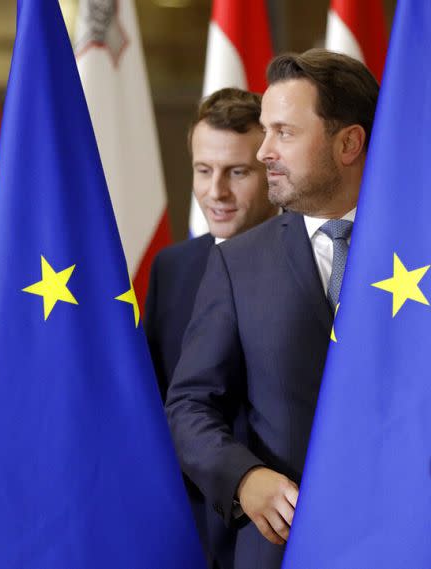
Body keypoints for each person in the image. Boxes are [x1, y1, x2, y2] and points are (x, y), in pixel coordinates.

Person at [165, 49, 379, 569]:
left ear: (348, 143)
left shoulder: (420, 243)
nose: (264, 152)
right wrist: (243, 478)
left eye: (284, 132)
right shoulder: (239, 263)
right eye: (265, 132)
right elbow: (190, 405)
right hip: (283, 549)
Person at [145, 87, 277, 569]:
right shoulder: (173, 268)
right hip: (192, 531)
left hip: (282, 524)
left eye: (237, 172)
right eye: (204, 170)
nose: (215, 192)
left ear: (272, 170)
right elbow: (161, 403)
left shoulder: (315, 263)